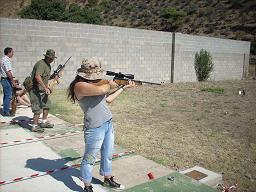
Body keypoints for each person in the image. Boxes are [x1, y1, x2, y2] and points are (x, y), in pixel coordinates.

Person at [67, 58, 136, 192]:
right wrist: (116, 81)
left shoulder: (96, 85)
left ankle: (107, 177)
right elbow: (103, 89)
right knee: (89, 158)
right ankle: (87, 185)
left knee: (107, 154)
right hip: (94, 127)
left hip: (107, 124)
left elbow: (108, 99)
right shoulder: (79, 86)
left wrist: (123, 87)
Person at [28, 49, 56, 133]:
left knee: (47, 105)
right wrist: (45, 88)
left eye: (52, 58)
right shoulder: (41, 64)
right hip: (35, 89)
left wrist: (53, 76)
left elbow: (45, 77)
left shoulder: (48, 65)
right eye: (50, 58)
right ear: (46, 57)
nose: (51, 60)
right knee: (38, 108)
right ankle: (34, 126)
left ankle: (43, 122)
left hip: (42, 90)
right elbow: (37, 76)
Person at [0, 47, 15, 116]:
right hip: (6, 79)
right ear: (9, 52)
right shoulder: (6, 60)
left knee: (6, 95)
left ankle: (5, 109)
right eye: (12, 52)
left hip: (4, 79)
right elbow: (8, 72)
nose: (13, 54)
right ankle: (6, 111)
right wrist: (12, 81)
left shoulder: (3, 59)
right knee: (8, 95)